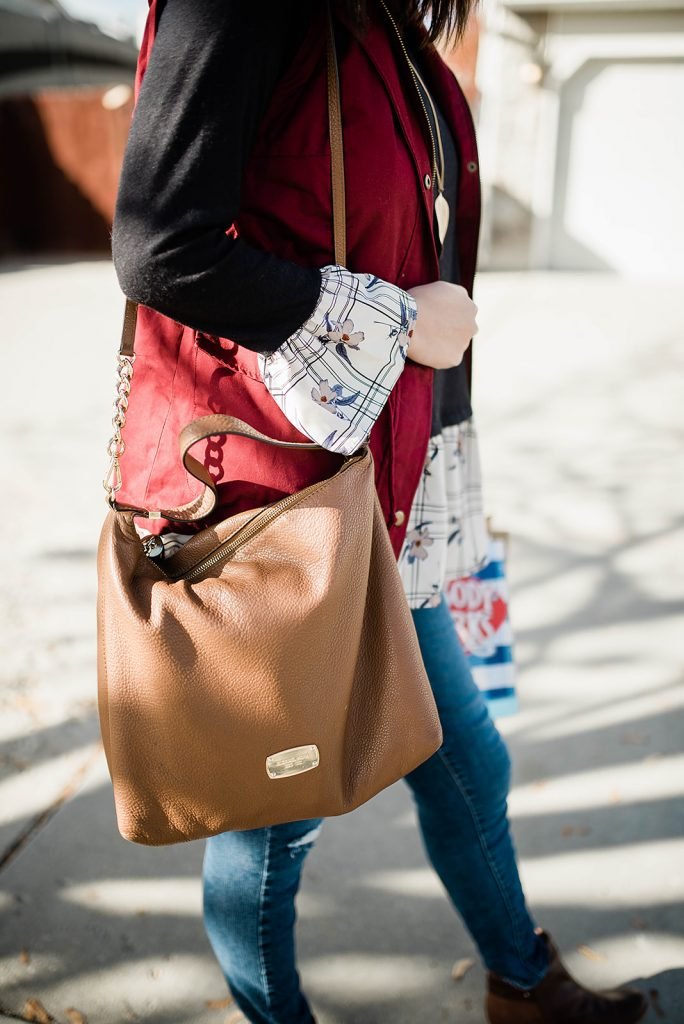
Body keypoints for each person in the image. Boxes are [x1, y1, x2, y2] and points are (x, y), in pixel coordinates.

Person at [110, 1, 648, 1022]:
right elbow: (161, 245)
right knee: (277, 818)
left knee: (466, 758)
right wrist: (398, 321)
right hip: (289, 503)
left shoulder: (382, 25)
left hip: (390, 487)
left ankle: (522, 984)